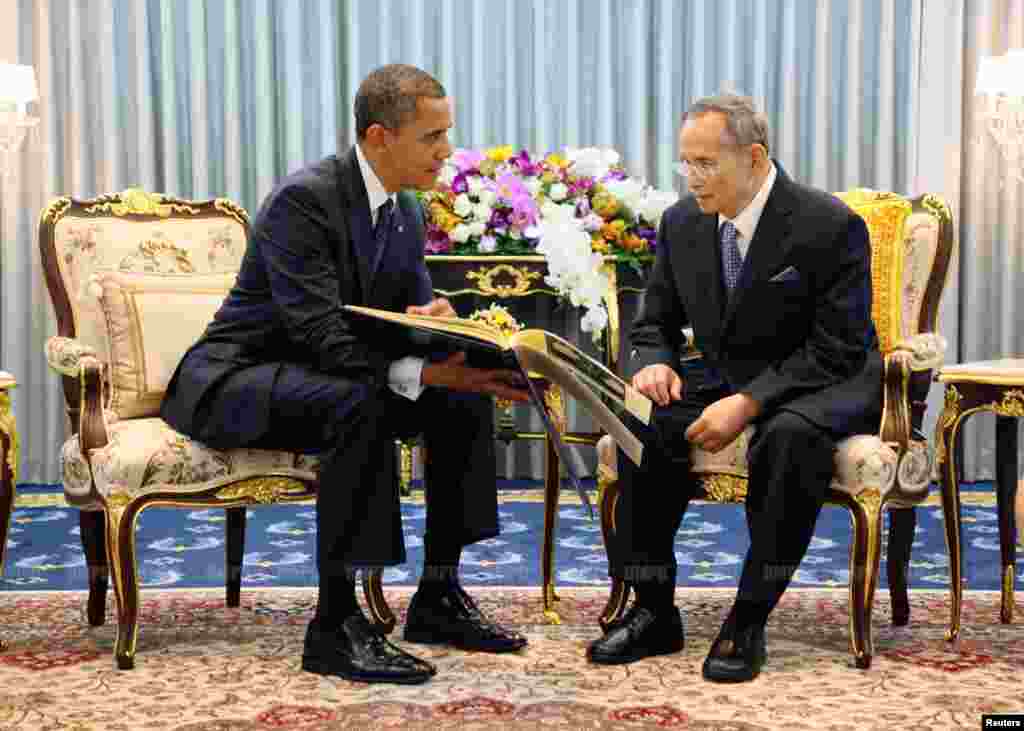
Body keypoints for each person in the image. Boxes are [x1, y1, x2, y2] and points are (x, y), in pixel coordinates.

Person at [161, 64, 531, 685]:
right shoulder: (304, 200)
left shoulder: (405, 210)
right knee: (360, 402)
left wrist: (447, 332)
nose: (447, 151)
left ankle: (438, 596)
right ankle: (333, 627)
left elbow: (397, 320)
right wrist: (426, 370)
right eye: (433, 137)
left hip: (322, 372)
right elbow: (320, 335)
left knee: (462, 400)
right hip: (235, 377)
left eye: (448, 134)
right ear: (380, 137)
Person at [586, 94, 881, 682]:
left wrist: (748, 404)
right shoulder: (682, 222)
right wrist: (654, 363)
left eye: (705, 164)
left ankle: (748, 620)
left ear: (753, 156)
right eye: (685, 163)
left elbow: (838, 347)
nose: (692, 179)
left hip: (822, 377)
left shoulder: (829, 225)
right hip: (727, 375)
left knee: (788, 438)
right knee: (641, 416)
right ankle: (652, 609)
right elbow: (653, 322)